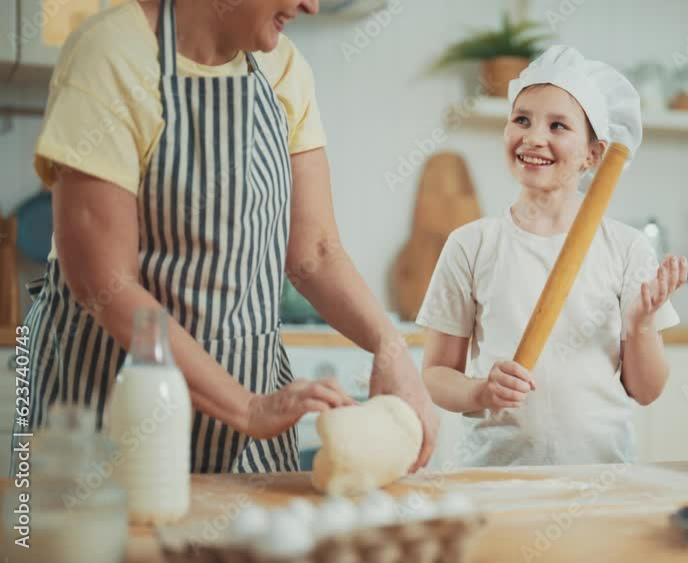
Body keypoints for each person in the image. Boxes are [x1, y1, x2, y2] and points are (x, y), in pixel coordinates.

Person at [17, 0, 438, 474]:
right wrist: (247, 408)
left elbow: (315, 253)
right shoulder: (112, 53)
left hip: (247, 417)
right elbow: (104, 282)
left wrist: (390, 346)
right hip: (109, 405)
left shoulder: (284, 68)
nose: (312, 6)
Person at [416, 46, 688, 467]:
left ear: (592, 155)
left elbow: (648, 390)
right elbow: (434, 376)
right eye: (521, 119)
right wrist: (480, 392)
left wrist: (641, 325)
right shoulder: (471, 244)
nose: (533, 137)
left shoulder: (626, 247)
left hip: (600, 480)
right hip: (496, 478)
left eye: (558, 125)